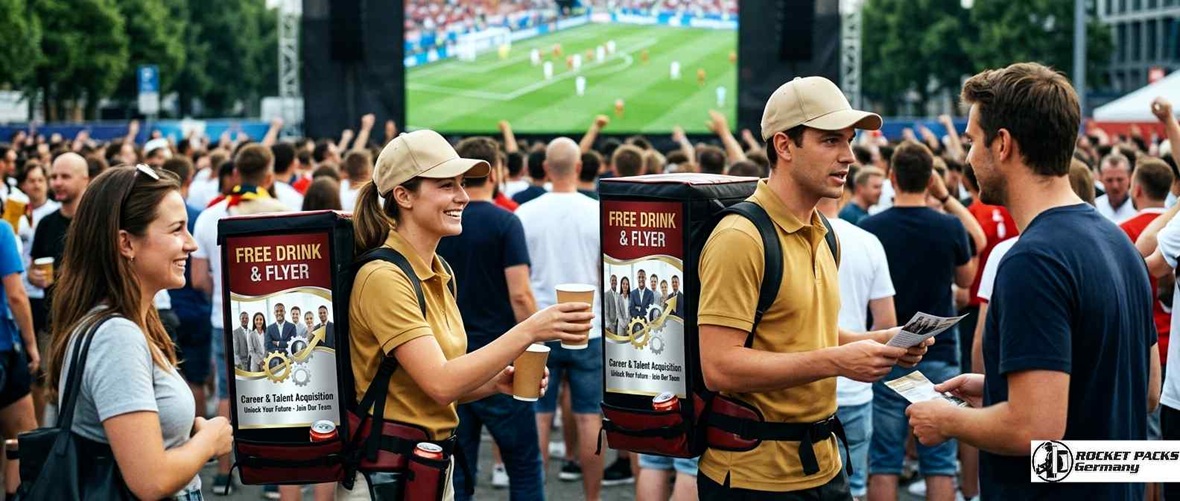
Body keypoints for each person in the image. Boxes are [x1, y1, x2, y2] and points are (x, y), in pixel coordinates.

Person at [907, 62, 1159, 501]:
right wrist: (1000, 388)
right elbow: (1142, 390)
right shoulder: (1119, 244)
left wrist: (946, 421)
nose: (967, 157)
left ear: (1002, 144)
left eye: (971, 141)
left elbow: (1035, 429)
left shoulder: (1033, 260)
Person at [696, 76, 929, 499]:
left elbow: (807, 333)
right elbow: (719, 366)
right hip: (756, 477)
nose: (848, 156)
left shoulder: (824, 232)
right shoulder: (741, 236)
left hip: (824, 464)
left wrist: (880, 343)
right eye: (830, 141)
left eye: (850, 140)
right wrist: (839, 361)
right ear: (784, 146)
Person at [341, 129, 593, 499]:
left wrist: (493, 384)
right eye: (446, 185)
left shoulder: (439, 269)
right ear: (403, 195)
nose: (462, 196)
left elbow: (424, 388)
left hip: (424, 468)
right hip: (388, 476)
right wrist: (530, 329)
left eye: (462, 184)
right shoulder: (383, 276)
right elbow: (440, 383)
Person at [46, 165, 233, 500]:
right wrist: (210, 440)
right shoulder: (116, 336)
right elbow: (150, 480)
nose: (190, 244)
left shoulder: (128, 324)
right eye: (177, 230)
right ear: (126, 243)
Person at [858, 141, 977, 501]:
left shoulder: (869, 227)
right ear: (930, 181)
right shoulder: (949, 226)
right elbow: (967, 280)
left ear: (892, 178)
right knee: (939, 461)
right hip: (938, 350)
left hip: (887, 350)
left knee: (884, 460)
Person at [436, 136, 545, 499]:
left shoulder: (440, 223)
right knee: (524, 466)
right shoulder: (504, 222)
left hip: (452, 359)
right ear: (495, 171)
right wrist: (537, 344)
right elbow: (520, 293)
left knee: (459, 471)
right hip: (500, 358)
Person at [515, 137, 616, 499]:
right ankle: (592, 497)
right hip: (587, 327)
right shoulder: (597, 211)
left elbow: (518, 279)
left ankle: (537, 493)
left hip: (540, 324)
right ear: (578, 167)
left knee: (540, 417)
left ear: (544, 168)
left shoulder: (524, 213)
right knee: (590, 417)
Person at [191, 143, 290, 495]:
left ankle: (222, 473)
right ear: (269, 174)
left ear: (235, 173)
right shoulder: (284, 209)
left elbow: (198, 279)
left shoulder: (208, 215)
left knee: (226, 393)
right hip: (269, 317)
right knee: (274, 388)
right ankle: (275, 473)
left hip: (223, 317)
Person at [817, 196, 896, 501]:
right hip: (854, 389)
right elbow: (886, 321)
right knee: (854, 489)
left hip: (800, 389)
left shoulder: (782, 238)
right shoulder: (867, 241)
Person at [1095, 153, 1136, 223]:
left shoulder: (1138, 210)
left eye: (1120, 180)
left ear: (1130, 178)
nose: (1115, 186)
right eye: (1109, 180)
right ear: (1101, 178)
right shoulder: (1095, 208)